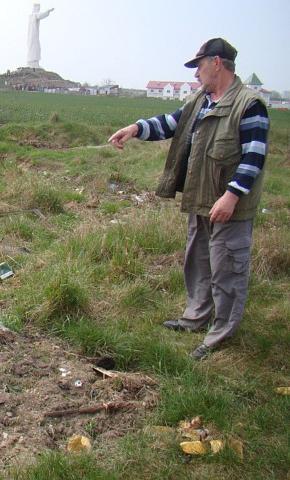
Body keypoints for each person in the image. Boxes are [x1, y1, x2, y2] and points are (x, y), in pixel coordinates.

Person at [108, 38, 269, 360]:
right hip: (201, 200)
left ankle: (220, 333)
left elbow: (254, 156)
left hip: (228, 206)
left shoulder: (249, 104)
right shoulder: (201, 101)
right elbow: (170, 123)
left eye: (198, 66)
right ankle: (195, 318)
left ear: (216, 63)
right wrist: (136, 128)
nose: (196, 74)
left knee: (228, 269)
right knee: (198, 263)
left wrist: (232, 196)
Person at [27, 3, 54, 68]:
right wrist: (48, 11)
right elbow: (40, 15)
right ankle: (33, 63)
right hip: (33, 37)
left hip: (32, 36)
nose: (39, 10)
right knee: (35, 48)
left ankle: (33, 62)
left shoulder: (31, 16)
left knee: (34, 48)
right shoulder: (34, 15)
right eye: (38, 8)